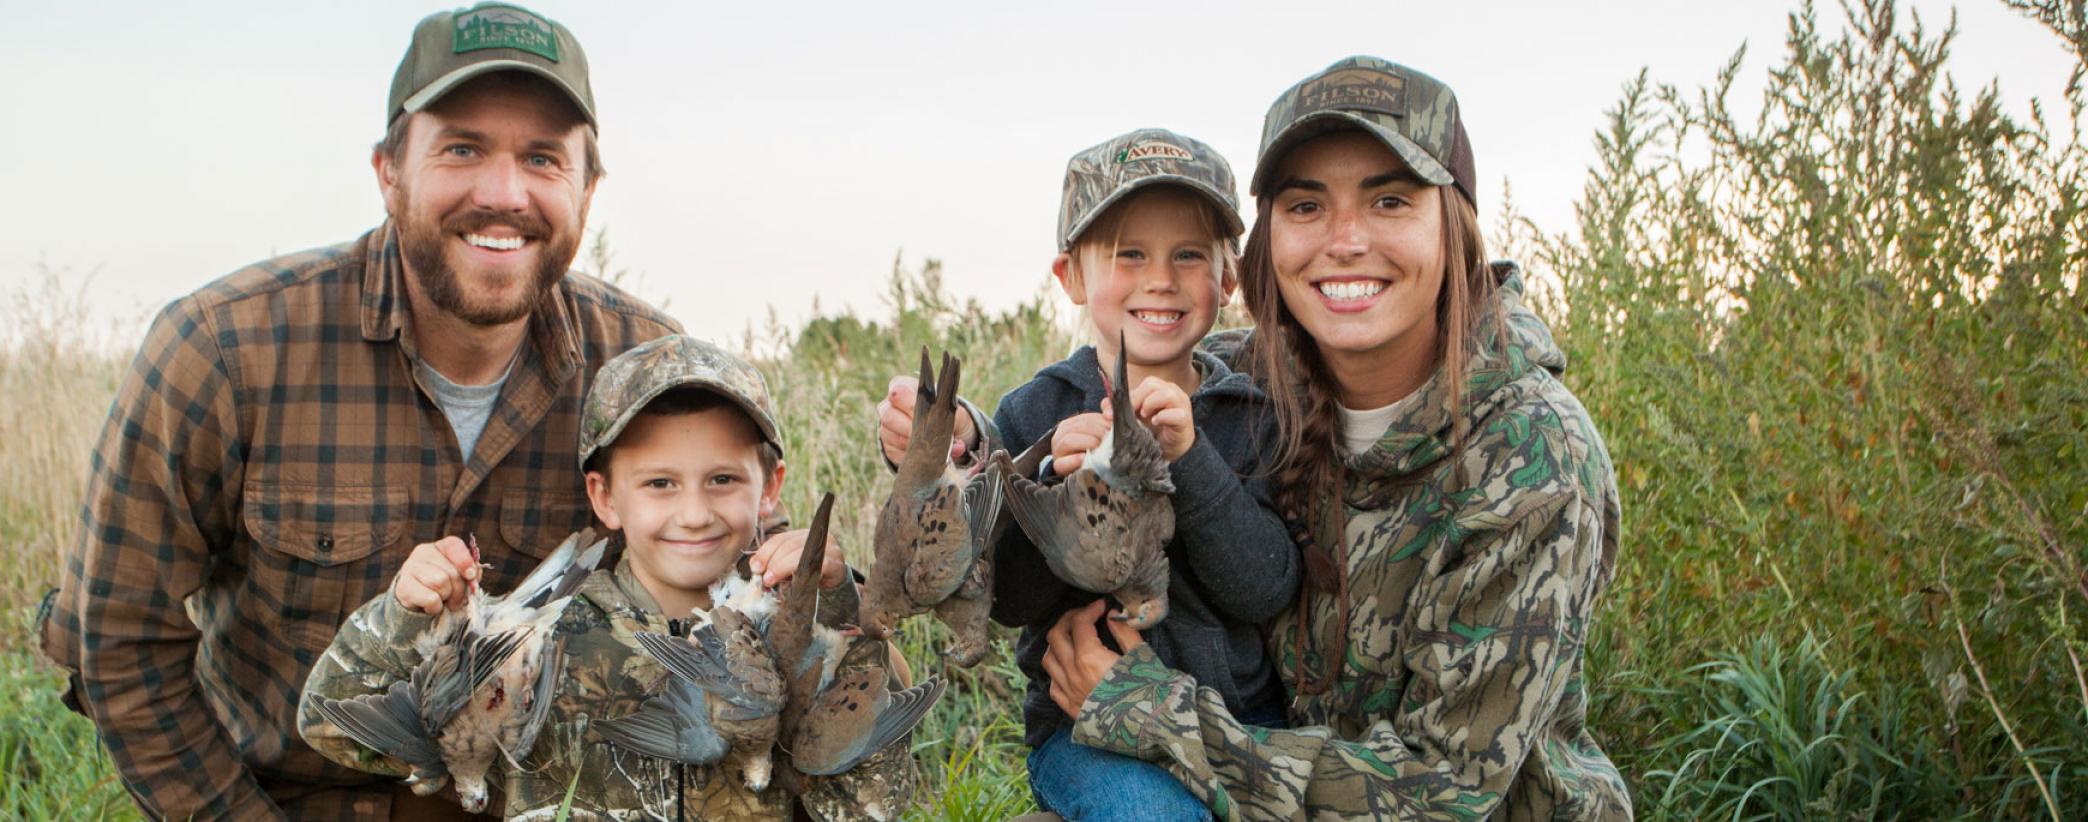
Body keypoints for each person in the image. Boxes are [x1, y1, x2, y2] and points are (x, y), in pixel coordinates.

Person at [34, 5, 813, 817]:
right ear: (388, 170)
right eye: (463, 148)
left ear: (587, 188)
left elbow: (755, 588)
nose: (504, 193)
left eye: (543, 158)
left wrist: (933, 479)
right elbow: (119, 642)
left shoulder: (646, 366)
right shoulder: (223, 352)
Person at [1037, 57, 1633, 820]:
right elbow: (1082, 390)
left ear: (1454, 227)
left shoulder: (1535, 457)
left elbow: (1439, 792)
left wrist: (1148, 709)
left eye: (1390, 199)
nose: (1345, 240)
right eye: (1307, 205)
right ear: (1265, 245)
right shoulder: (1237, 389)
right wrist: (957, 446)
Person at [300, 334, 919, 820]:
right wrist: (405, 615)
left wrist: (837, 612)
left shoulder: (793, 633)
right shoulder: (540, 639)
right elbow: (331, 726)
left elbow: (873, 802)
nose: (695, 513)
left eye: (723, 479)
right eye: (659, 483)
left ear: (770, 488)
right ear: (604, 498)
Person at [876, 128, 1304, 821]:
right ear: (1070, 277)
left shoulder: (1249, 415)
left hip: (1242, 722)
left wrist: (1188, 462)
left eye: (1188, 255)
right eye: (1128, 254)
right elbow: (1008, 598)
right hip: (1088, 733)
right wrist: (1052, 484)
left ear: (1227, 280)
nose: (1159, 278)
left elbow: (1264, 587)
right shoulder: (1038, 409)